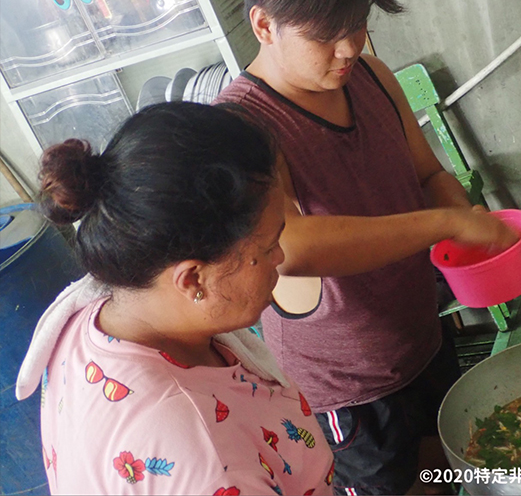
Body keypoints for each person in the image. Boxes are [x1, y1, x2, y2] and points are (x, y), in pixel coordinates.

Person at [214, 0, 519, 494]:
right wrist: (443, 222)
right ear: (265, 26)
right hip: (349, 390)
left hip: (423, 339)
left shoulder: (374, 78)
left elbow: (428, 174)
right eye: (324, 35)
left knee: (450, 471)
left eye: (357, 23)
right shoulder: (243, 125)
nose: (348, 48)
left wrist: (467, 224)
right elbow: (291, 245)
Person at [15, 102, 334, 495]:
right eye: (268, 247)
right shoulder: (207, 460)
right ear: (193, 279)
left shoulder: (102, 315)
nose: (280, 258)